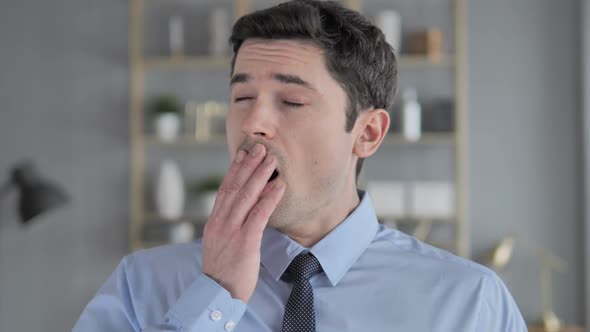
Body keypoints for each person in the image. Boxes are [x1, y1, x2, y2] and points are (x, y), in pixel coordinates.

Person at [73, 0, 527, 331]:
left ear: (367, 133)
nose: (253, 123)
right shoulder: (140, 287)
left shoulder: (470, 303)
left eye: (291, 100)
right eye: (241, 98)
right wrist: (214, 296)